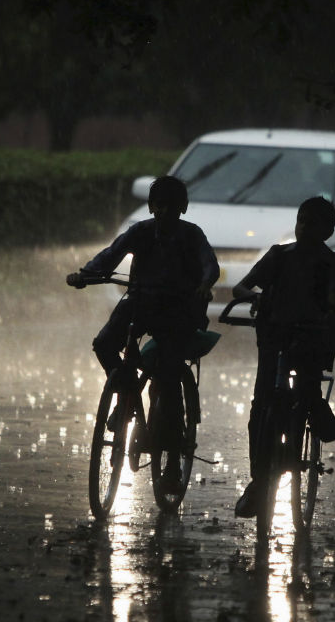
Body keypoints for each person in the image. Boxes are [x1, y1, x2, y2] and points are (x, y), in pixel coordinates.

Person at [66, 175, 219, 493]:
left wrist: (204, 285)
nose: (164, 212)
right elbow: (111, 254)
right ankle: (125, 396)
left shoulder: (192, 235)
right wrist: (86, 274)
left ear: (183, 208)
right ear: (151, 207)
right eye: (159, 206)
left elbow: (210, 265)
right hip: (139, 303)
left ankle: (174, 465)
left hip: (179, 312)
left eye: (171, 207)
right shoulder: (140, 232)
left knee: (168, 377)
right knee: (105, 344)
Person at [231, 195, 335, 518]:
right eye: (302, 220)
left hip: (311, 342)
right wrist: (255, 297)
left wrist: (330, 313)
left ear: (328, 230)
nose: (306, 228)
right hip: (274, 339)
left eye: (314, 223)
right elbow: (241, 287)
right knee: (260, 405)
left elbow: (333, 301)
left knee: (306, 389)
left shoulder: (332, 265)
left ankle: (313, 404)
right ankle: (259, 481)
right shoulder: (278, 256)